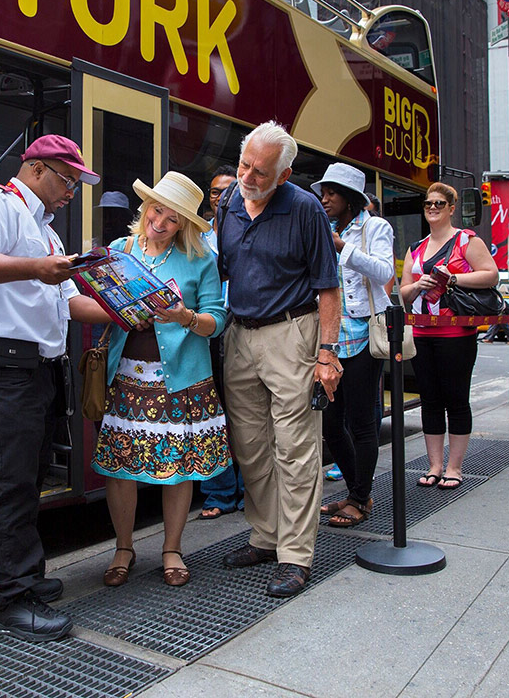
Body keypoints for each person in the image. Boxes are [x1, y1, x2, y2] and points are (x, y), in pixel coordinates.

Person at [0, 134, 110, 642]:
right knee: (8, 481)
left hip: (37, 371)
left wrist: (127, 312)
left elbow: (69, 302)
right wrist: (37, 269)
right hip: (0, 369)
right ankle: (11, 600)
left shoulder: (48, 235)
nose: (71, 193)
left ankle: (16, 579)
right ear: (37, 169)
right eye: (68, 181)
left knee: (28, 477)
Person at [217, 121, 341, 598]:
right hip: (240, 334)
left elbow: (328, 287)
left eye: (260, 172)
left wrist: (326, 354)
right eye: (244, 164)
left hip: (292, 332)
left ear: (284, 175)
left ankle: (295, 555)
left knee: (295, 448)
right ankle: (266, 537)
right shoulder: (230, 202)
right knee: (250, 447)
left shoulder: (305, 208)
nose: (247, 176)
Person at [92, 172, 229, 588]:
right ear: (145, 208)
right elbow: (95, 300)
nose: (161, 222)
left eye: (173, 218)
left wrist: (184, 317)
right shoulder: (120, 249)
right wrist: (119, 309)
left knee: (179, 467)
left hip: (181, 380)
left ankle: (172, 549)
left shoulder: (200, 259)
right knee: (120, 467)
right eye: (157, 211)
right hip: (126, 376)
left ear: (184, 224)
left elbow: (217, 320)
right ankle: (123, 548)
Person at [399, 183, 498, 491]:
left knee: (456, 399)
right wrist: (417, 286)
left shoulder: (466, 240)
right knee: (429, 400)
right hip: (421, 331)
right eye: (428, 203)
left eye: (439, 203)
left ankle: (454, 467)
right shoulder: (416, 247)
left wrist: (452, 278)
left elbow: (491, 274)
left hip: (456, 332)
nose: (432, 207)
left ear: (452, 208)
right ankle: (434, 466)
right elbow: (403, 292)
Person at [311, 163, 394, 528]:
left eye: (332, 193)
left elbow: (385, 272)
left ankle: (360, 498)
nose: (325, 199)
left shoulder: (374, 227)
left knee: (361, 423)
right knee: (330, 425)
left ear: (350, 198)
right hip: (329, 340)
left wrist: (344, 248)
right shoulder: (322, 228)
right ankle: (356, 491)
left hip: (362, 336)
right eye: (323, 193)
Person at [197, 164, 245, 519]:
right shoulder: (197, 235)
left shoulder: (249, 229)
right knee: (211, 413)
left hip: (241, 327)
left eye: (229, 190)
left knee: (244, 413)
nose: (221, 197)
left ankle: (249, 489)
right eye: (215, 192)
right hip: (206, 332)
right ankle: (219, 491)